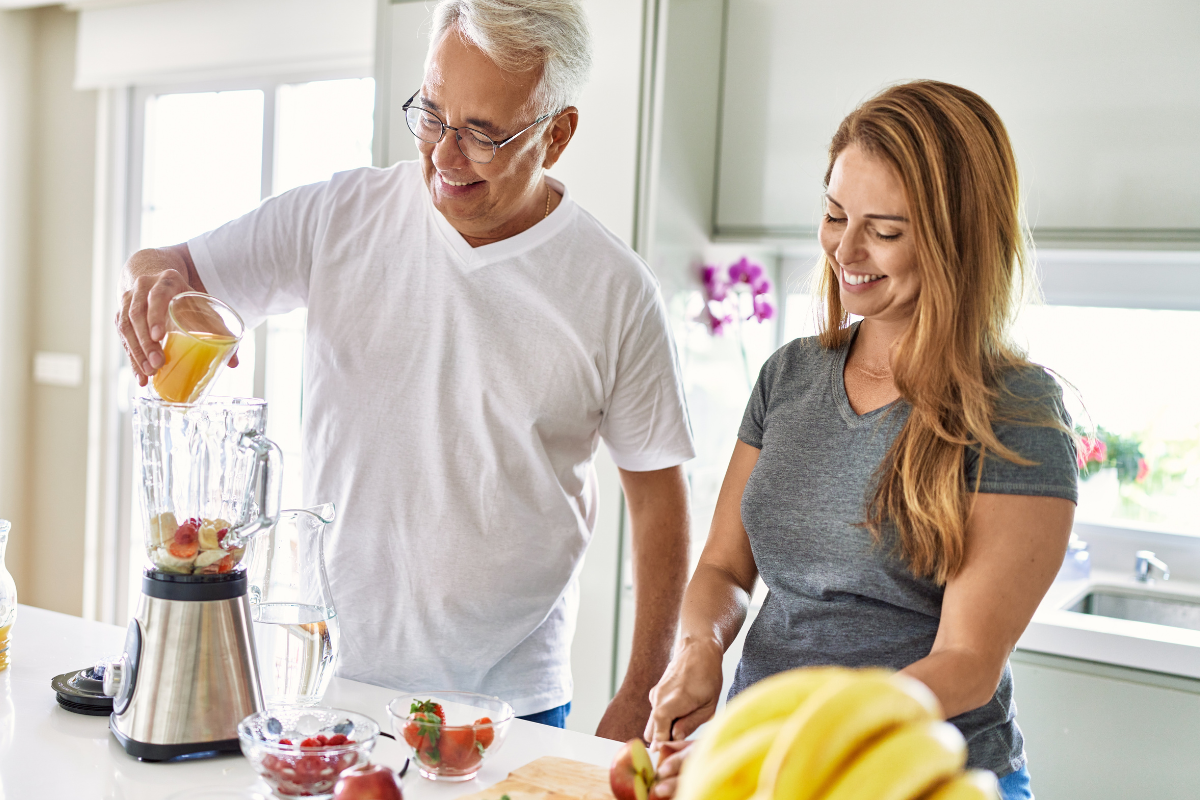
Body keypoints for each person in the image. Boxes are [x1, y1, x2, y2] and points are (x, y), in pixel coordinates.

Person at [115, 0, 695, 740]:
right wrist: (156, 287)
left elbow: (659, 504)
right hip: (324, 675)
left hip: (510, 701)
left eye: (483, 134)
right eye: (432, 114)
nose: (445, 156)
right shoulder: (337, 217)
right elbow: (172, 266)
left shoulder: (614, 288)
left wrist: (642, 693)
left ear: (558, 134)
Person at [644, 80, 1077, 800]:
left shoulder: (1015, 410)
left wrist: (785, 739)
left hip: (923, 780)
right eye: (835, 215)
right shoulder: (791, 375)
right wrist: (699, 648)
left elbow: (968, 659)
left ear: (955, 237)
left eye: (884, 230)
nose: (845, 249)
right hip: (762, 772)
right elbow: (723, 568)